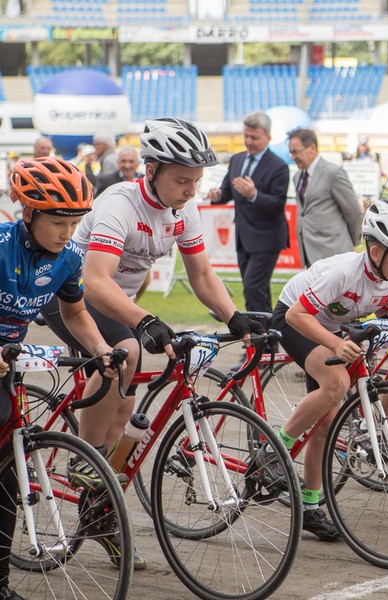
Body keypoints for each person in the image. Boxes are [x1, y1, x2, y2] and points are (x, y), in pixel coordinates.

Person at [41, 120, 264, 569]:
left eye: (197, 181)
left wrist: (233, 315)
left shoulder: (184, 209)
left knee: (128, 401)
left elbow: (201, 275)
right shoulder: (119, 204)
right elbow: (98, 282)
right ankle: (87, 460)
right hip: (74, 295)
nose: (190, 190)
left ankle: (99, 509)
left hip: (119, 301)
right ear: (151, 168)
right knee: (128, 356)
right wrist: (147, 320)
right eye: (182, 180)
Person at [260, 199, 388, 539]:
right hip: (294, 316)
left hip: (328, 322)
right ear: (375, 251)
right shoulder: (343, 272)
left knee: (327, 420)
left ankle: (310, 506)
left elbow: (387, 310)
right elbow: (297, 316)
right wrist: (336, 344)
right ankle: (274, 450)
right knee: (336, 382)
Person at [1, 158, 120, 593]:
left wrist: (102, 351)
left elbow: (74, 312)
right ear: (28, 213)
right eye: (57, 222)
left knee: (9, 478)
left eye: (75, 222)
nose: (67, 233)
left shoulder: (69, 258)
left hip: (8, 358)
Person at [207, 111, 290, 312]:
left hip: (266, 238)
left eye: (254, 137)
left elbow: (278, 204)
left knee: (254, 288)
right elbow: (227, 190)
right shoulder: (237, 160)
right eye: (246, 136)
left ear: (268, 137)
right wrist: (217, 195)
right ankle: (265, 337)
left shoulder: (279, 166)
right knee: (254, 290)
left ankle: (261, 337)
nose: (249, 141)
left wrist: (254, 195)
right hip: (243, 237)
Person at [287, 128, 363, 266]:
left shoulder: (333, 173)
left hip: (334, 253)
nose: (292, 157)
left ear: (312, 148)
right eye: (290, 152)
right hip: (308, 253)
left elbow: (354, 212)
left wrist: (350, 242)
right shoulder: (297, 177)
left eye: (295, 152)